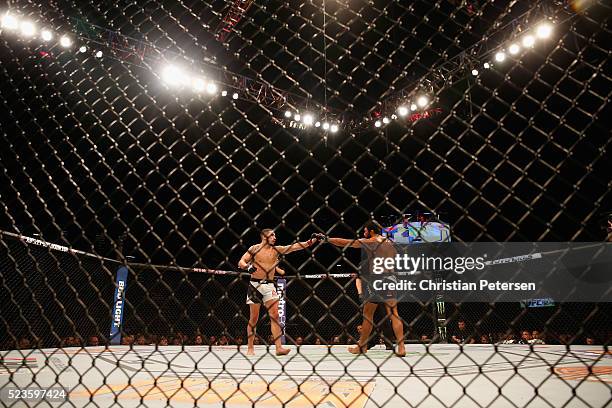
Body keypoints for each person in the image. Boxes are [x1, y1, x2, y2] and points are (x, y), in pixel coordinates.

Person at [319, 221, 406, 356]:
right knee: (394, 313)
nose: (364, 234)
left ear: (371, 231)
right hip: (391, 279)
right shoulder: (390, 243)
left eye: (365, 231)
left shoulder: (371, 241)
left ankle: (362, 346)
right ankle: (401, 348)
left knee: (368, 315)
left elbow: (346, 242)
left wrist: (327, 239)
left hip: (377, 280)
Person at [238, 229, 318, 356]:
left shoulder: (276, 250)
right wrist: (248, 267)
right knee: (254, 318)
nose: (275, 237)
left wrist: (310, 242)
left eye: (275, 234)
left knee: (275, 316)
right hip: (255, 285)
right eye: (272, 235)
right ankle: (250, 348)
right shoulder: (254, 249)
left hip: (270, 286)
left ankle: (278, 348)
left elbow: (294, 247)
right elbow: (241, 261)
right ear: (264, 236)